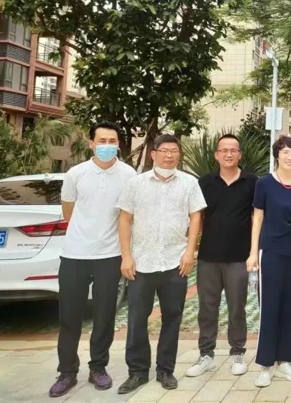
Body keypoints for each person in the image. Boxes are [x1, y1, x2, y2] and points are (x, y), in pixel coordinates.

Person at [49, 122, 137, 398]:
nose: (107, 145)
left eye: (112, 141)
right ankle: (67, 371)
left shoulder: (129, 175)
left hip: (109, 255)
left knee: (104, 315)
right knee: (69, 316)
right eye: (102, 141)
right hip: (75, 254)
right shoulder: (76, 174)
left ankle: (98, 367)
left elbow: (129, 215)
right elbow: (69, 212)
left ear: (118, 144)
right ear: (91, 144)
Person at [115, 135, 206, 395]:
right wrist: (126, 256)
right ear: (153, 153)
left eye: (174, 151)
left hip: (175, 263)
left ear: (179, 154)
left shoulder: (189, 183)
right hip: (141, 263)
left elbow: (196, 218)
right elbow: (124, 219)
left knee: (172, 317)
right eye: (164, 150)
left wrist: (190, 252)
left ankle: (165, 370)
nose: (169, 155)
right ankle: (137, 371)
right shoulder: (136, 183)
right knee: (136, 318)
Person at [186, 134, 257, 379]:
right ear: (216, 155)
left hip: (239, 257)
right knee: (207, 308)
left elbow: (257, 218)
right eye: (224, 150)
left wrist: (254, 253)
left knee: (237, 307)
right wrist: (191, 249)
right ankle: (206, 355)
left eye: (233, 150)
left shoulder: (252, 182)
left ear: (240, 154)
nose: (228, 154)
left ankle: (237, 353)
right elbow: (196, 217)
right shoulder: (205, 182)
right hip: (209, 257)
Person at [247, 136, 291, 387]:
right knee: (270, 306)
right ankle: (265, 364)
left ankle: (286, 361)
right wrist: (253, 252)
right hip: (271, 251)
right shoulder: (264, 183)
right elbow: (257, 219)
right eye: (285, 152)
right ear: (277, 155)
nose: (289, 156)